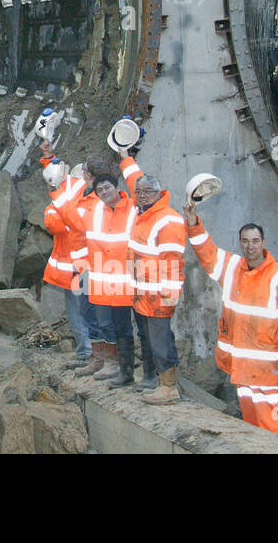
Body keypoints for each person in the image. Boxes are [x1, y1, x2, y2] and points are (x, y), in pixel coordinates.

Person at [183, 204, 278, 437]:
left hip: (266, 366)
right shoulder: (232, 268)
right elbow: (207, 252)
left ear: (263, 242)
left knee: (270, 421)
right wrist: (193, 222)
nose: (250, 246)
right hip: (241, 364)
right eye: (245, 241)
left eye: (255, 241)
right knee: (251, 420)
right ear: (240, 242)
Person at [122, 162, 186, 402]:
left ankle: (169, 387)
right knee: (150, 339)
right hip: (142, 294)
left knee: (160, 341)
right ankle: (161, 382)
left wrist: (168, 298)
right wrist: (125, 157)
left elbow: (172, 262)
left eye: (147, 191)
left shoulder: (167, 220)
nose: (141, 195)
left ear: (159, 193)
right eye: (138, 192)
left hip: (158, 295)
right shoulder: (144, 216)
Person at [39, 151, 105, 369]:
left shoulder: (94, 200)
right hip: (70, 269)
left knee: (86, 312)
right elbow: (53, 220)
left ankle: (92, 354)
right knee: (77, 312)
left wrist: (67, 218)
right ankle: (86, 352)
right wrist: (48, 157)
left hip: (84, 267)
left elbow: (70, 221)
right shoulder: (76, 193)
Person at [69, 171, 137, 381]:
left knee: (122, 325)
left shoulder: (133, 209)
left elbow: (140, 183)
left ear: (117, 187)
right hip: (98, 277)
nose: (104, 192)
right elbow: (70, 216)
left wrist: (126, 157)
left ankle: (122, 366)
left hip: (123, 280)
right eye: (99, 190)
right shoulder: (94, 210)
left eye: (107, 187)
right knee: (102, 321)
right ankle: (107, 361)